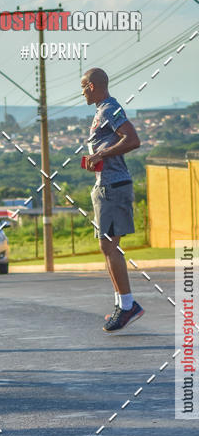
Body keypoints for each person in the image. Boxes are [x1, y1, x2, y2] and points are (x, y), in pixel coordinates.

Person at [81, 67, 143, 332]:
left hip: (114, 186)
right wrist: (96, 158)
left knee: (110, 248)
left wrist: (101, 154)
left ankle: (128, 306)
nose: (82, 91)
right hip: (105, 185)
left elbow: (133, 139)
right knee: (107, 248)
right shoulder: (101, 111)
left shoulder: (109, 108)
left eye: (83, 86)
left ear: (93, 86)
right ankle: (122, 305)